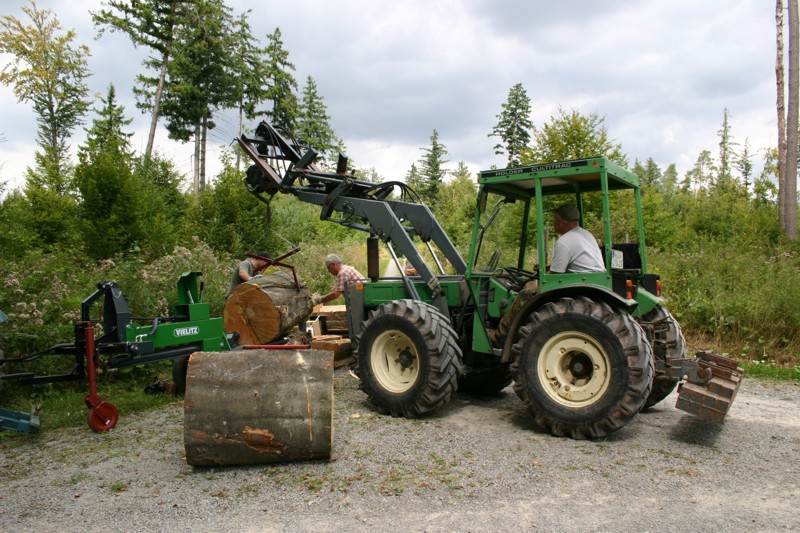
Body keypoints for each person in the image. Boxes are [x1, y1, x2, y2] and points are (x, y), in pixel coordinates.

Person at [490, 205, 604, 342]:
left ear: (560, 221)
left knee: (525, 294)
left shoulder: (565, 242)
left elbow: (553, 279)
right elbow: (574, 264)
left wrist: (532, 283)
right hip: (591, 281)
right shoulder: (586, 235)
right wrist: (547, 267)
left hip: (576, 285)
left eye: (554, 219)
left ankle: (500, 336)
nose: (554, 222)